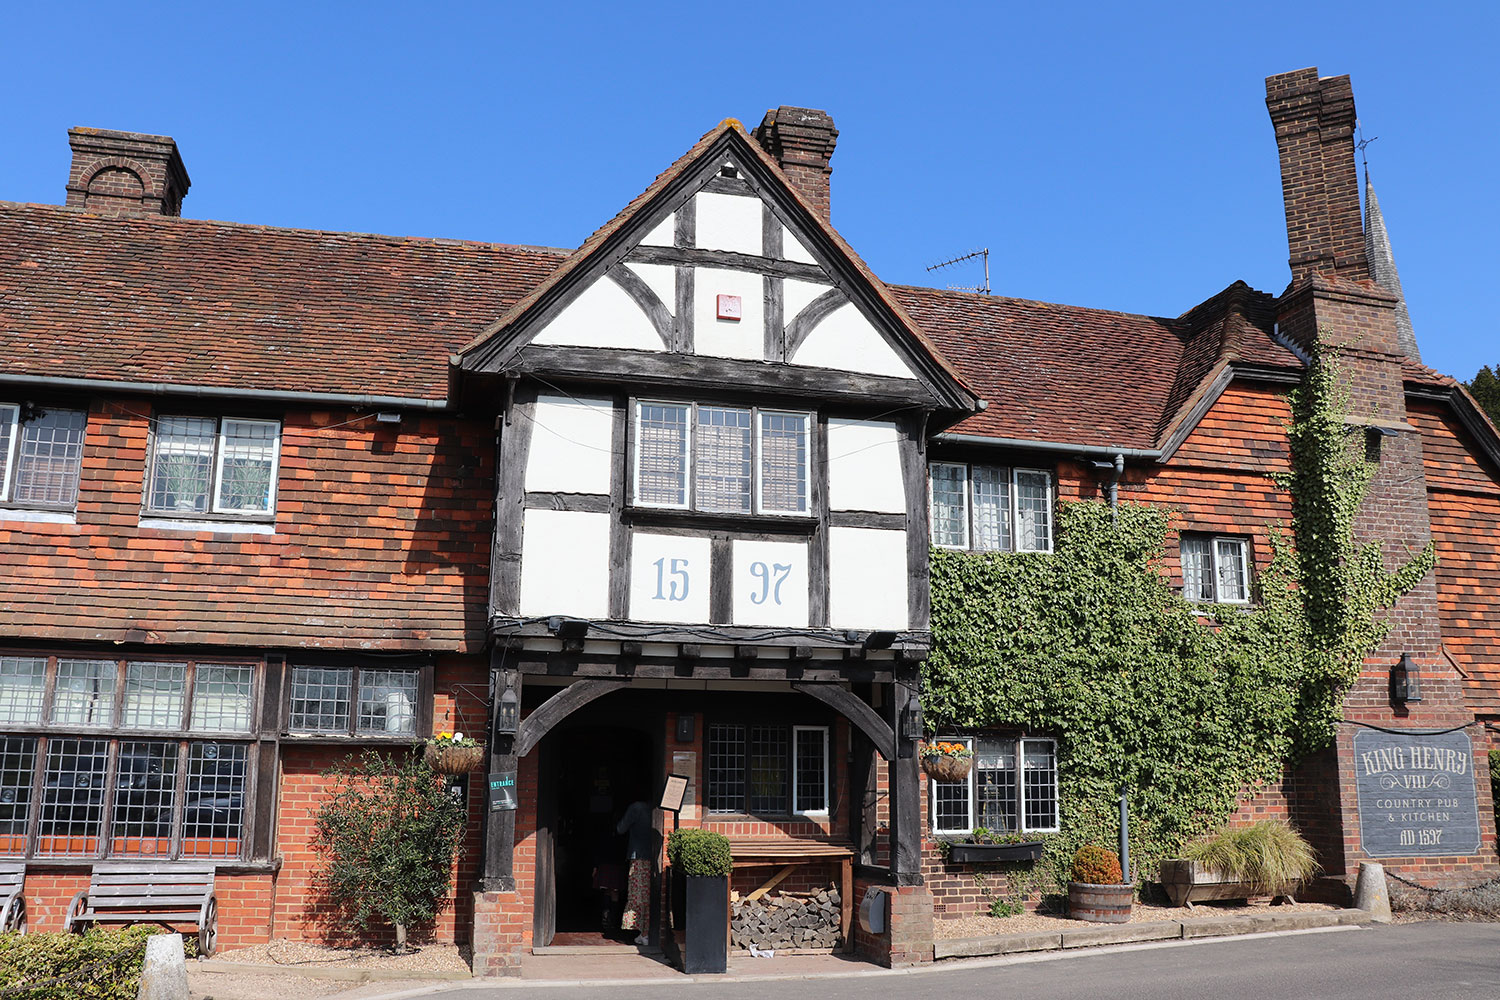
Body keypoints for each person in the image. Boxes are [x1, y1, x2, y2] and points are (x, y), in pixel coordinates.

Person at [615, 800, 654, 945]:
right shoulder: (653, 808)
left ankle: (643, 932)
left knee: (638, 895)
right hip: (652, 857)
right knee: (646, 896)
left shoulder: (636, 807)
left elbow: (620, 828)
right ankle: (644, 932)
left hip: (638, 857)